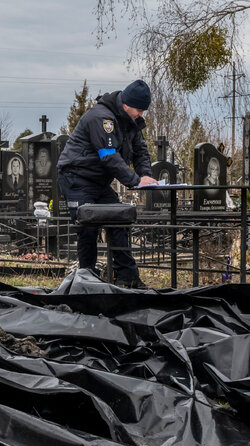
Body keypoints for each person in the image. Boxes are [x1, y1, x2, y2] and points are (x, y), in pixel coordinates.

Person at [57, 79, 155, 289]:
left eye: (143, 110)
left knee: (119, 221)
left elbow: (140, 151)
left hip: (99, 182)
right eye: (139, 109)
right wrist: (134, 181)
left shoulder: (131, 121)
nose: (141, 115)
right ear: (126, 104)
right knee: (88, 226)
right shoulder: (101, 118)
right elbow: (108, 156)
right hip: (76, 177)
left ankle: (128, 279)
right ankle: (86, 282)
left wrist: (146, 176)